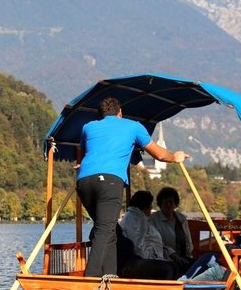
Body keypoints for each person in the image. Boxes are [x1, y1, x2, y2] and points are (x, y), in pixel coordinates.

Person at [76, 97, 186, 277]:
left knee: (109, 230)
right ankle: (90, 279)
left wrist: (80, 163)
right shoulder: (133, 126)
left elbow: (82, 152)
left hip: (84, 182)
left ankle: (111, 275)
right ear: (120, 113)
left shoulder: (88, 127)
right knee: (104, 230)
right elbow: (158, 154)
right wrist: (175, 157)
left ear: (101, 114)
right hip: (109, 181)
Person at [118, 191, 175, 279]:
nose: (151, 208)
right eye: (150, 205)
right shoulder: (135, 219)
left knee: (174, 266)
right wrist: (153, 259)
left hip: (145, 257)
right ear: (145, 207)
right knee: (168, 268)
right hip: (136, 260)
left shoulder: (139, 218)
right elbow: (137, 246)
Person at [149, 187, 193, 272]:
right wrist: (174, 256)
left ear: (175, 204)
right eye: (165, 202)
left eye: (171, 202)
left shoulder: (181, 219)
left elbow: (188, 241)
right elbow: (157, 243)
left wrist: (188, 257)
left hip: (184, 258)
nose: (168, 205)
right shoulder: (153, 220)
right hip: (165, 260)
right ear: (160, 204)